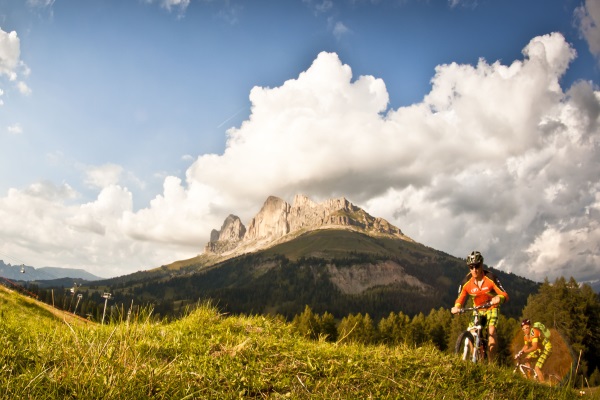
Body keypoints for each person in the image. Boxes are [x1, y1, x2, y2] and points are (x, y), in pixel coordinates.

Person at [451, 250, 509, 362]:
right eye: (471, 267)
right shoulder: (466, 281)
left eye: (477, 266)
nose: (474, 269)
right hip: (477, 309)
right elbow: (460, 297)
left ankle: (491, 364)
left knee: (491, 332)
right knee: (472, 333)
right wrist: (457, 307)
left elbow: (504, 294)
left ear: (481, 265)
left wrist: (499, 298)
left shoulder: (491, 277)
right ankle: (478, 361)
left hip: (492, 307)